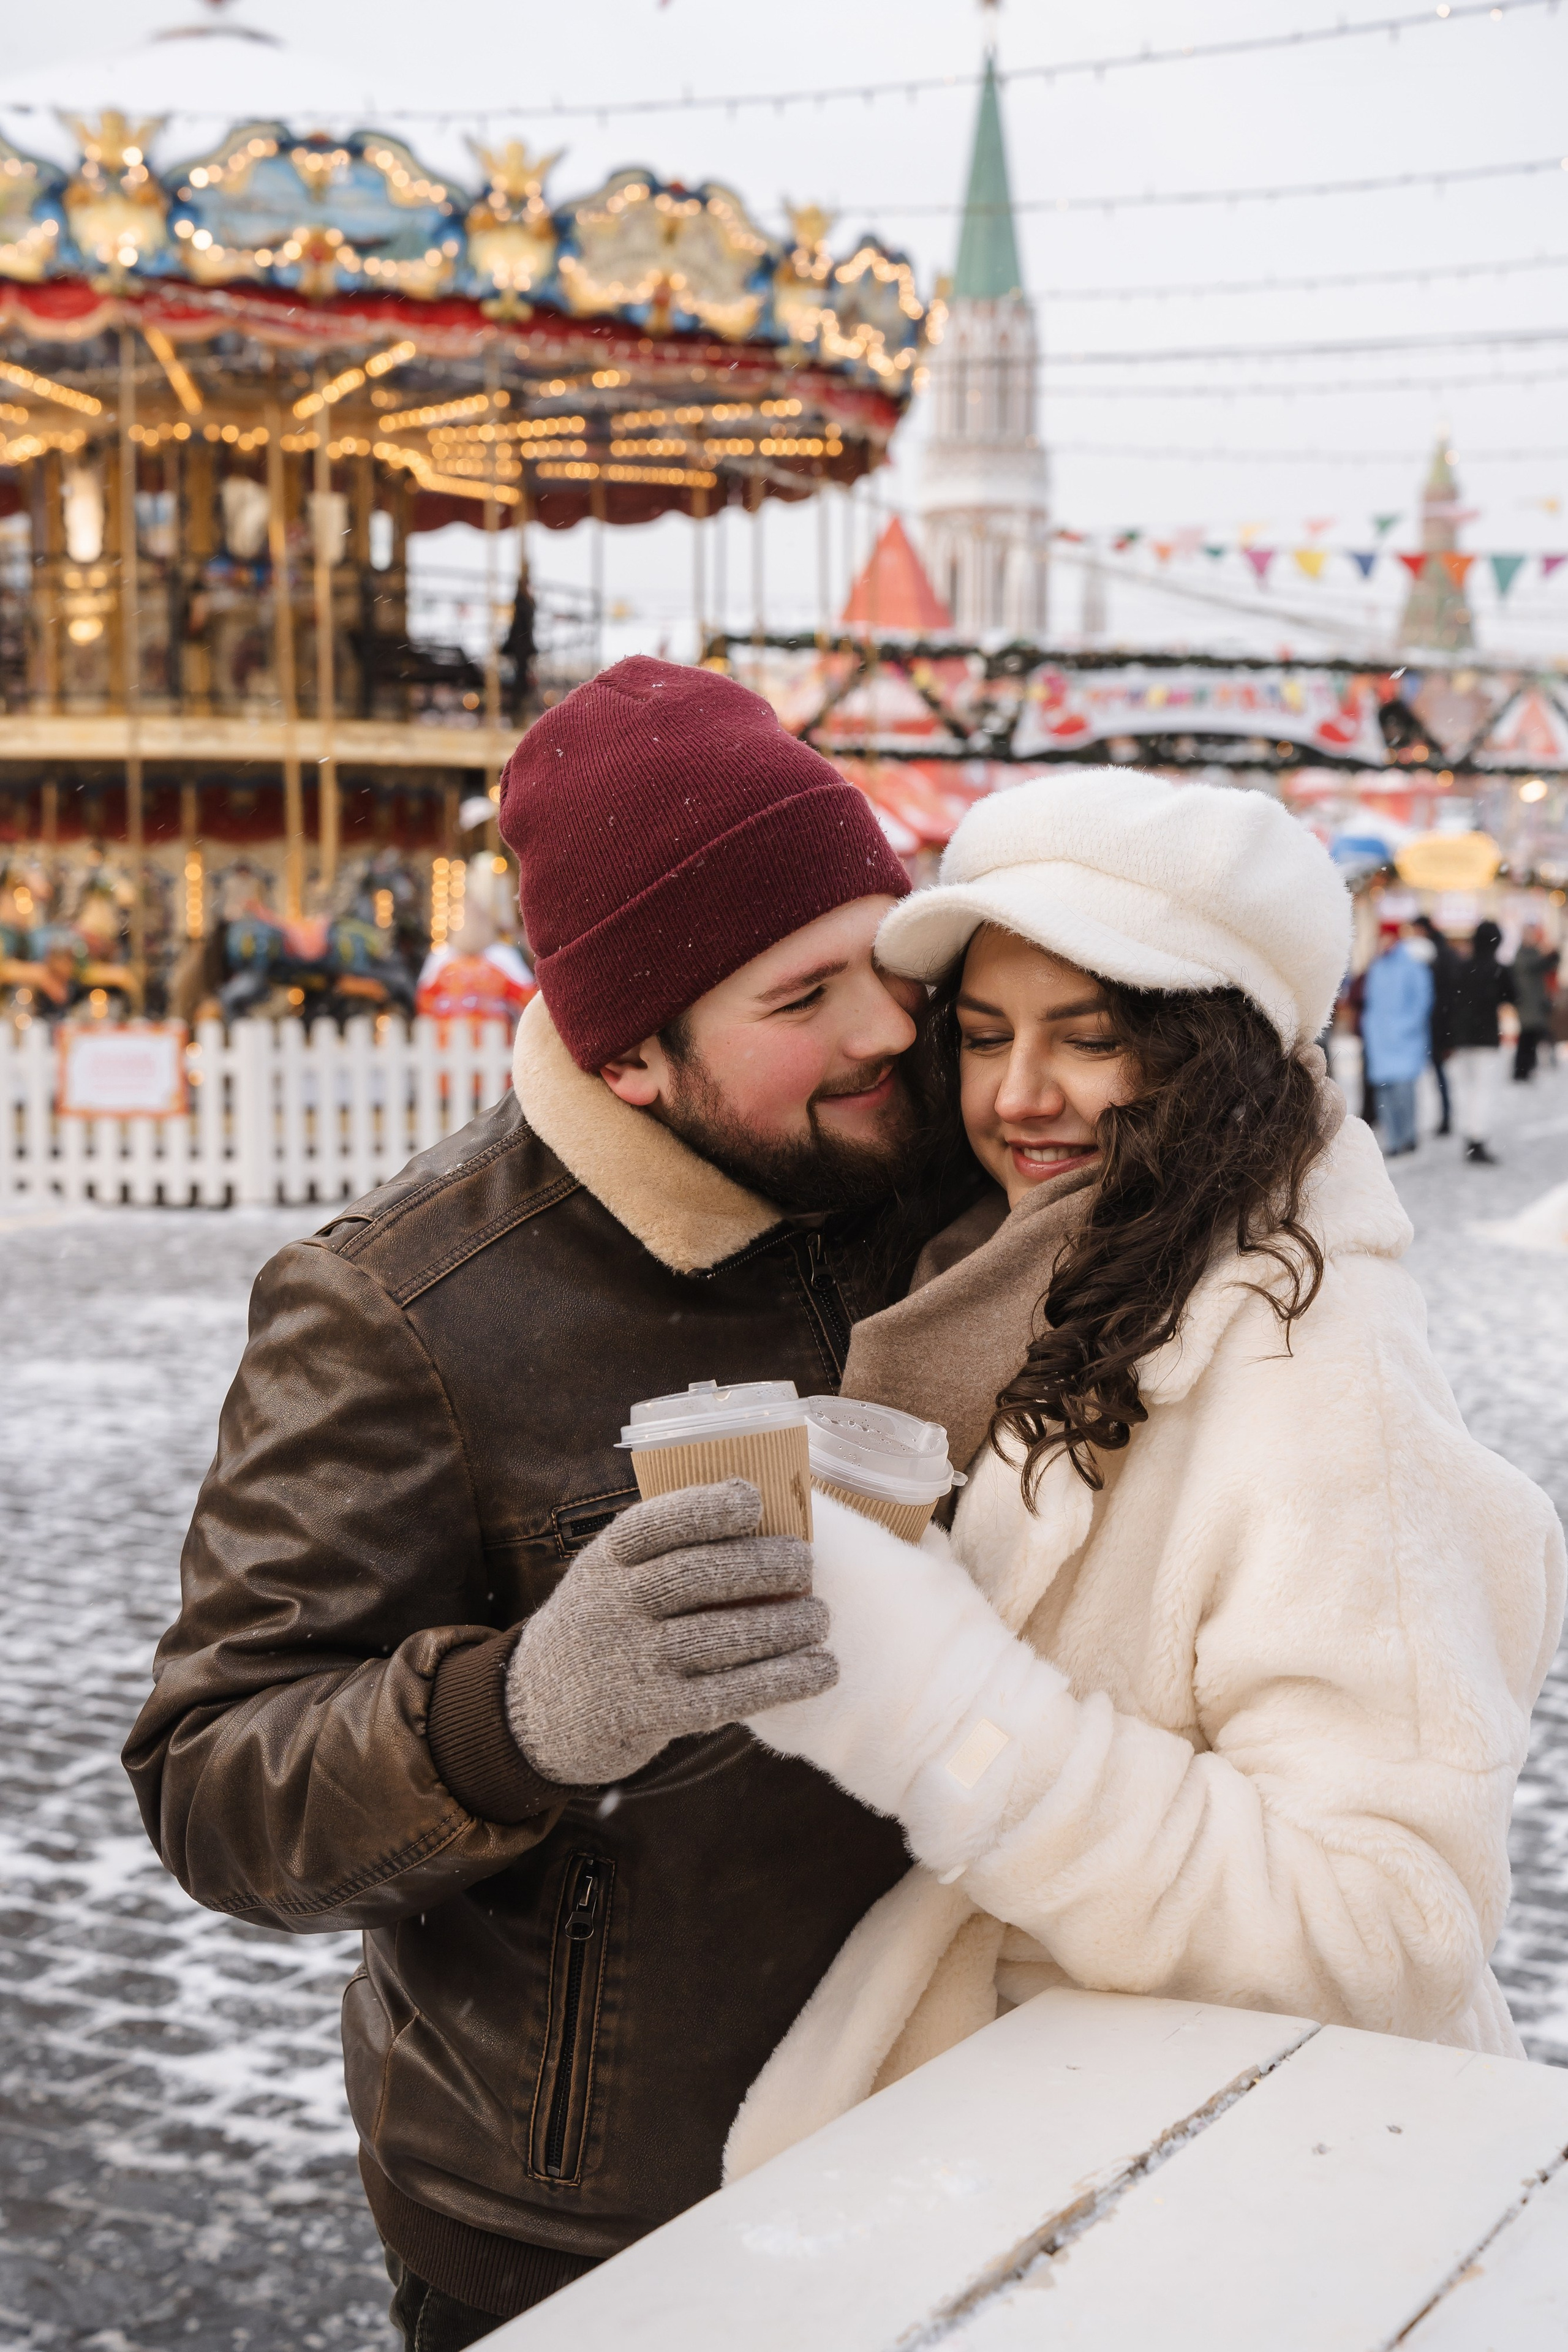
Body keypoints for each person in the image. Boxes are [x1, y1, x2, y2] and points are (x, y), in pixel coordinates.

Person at [124, 658, 963, 2348]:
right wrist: (517, 1714)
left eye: (884, 955)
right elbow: (217, 1782)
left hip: (977, 2129)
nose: (883, 1029)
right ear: (634, 1058)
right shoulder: (404, 1311)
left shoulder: (957, 1164)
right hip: (599, 2224)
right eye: (800, 1000)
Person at [718, 770, 1564, 2180]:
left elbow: (1382, 1927)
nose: (1017, 1094)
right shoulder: (1011, 1281)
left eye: (1088, 1039)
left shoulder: (1313, 1366)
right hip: (1039, 2152)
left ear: (1211, 1057)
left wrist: (941, 1710)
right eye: (980, 1037)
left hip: (1215, 2194)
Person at [1359, 918, 1432, 1156]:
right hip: (1380, 1040)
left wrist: (1407, 1027)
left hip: (1403, 1040)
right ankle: (1393, 1139)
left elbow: (1422, 1000)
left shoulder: (1411, 966)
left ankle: (1408, 1136)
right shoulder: (1377, 967)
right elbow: (1371, 1003)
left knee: (1404, 1091)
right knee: (1385, 1092)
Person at [1449, 919, 1513, 1164]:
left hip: (1462, 1037)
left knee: (1467, 1089)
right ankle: (1477, 1140)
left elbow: (1451, 1002)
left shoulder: (1463, 967)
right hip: (1486, 1037)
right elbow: (1512, 996)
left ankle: (1470, 1135)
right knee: (1483, 1090)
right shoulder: (1498, 969)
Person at [1413, 913, 1461, 1133]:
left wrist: (1447, 1032)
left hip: (1436, 1026)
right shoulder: (1443, 953)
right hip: (1438, 1025)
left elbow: (1447, 997)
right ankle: (1445, 1117)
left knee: (1439, 1076)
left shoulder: (1432, 955)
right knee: (1440, 1077)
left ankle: (1445, 1118)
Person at [1510, 923, 1556, 1083]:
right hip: (1527, 1002)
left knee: (1531, 1036)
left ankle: (1527, 1068)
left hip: (1534, 1002)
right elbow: (1534, 966)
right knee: (1527, 1037)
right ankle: (1522, 1070)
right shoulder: (1522, 954)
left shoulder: (1533, 953)